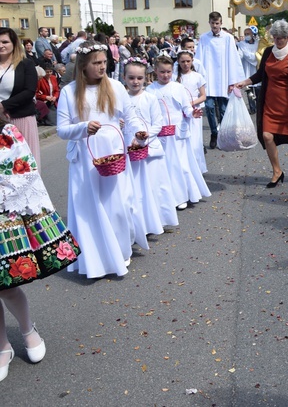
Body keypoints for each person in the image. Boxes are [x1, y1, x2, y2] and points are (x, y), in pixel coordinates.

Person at [0, 116, 80, 382]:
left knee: (7, 285)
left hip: (4, 216)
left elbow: (23, 173)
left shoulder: (7, 132)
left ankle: (27, 330)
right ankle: (3, 346)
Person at [57, 41, 147, 277]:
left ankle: (120, 250)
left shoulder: (116, 87)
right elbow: (62, 129)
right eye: (96, 63)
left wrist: (139, 134)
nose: (102, 67)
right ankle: (94, 257)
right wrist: (84, 127)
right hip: (86, 158)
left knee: (118, 204)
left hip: (113, 154)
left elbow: (131, 117)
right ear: (84, 66)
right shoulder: (69, 91)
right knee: (90, 208)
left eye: (104, 62)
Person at [235, 20, 288, 187]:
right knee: (267, 136)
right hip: (270, 102)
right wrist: (243, 82)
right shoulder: (268, 52)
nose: (278, 40)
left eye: (282, 37)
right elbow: (260, 74)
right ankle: (277, 171)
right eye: (275, 37)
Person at [147, 55, 211, 209]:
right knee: (166, 166)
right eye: (162, 72)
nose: (166, 75)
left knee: (181, 165)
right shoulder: (150, 90)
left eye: (168, 72)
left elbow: (186, 107)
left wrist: (192, 113)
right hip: (160, 133)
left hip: (178, 133)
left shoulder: (178, 87)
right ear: (155, 71)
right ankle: (170, 197)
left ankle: (185, 194)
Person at [122, 57, 179, 229]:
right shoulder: (121, 99)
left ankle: (157, 220)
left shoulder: (150, 98)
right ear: (124, 78)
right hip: (130, 149)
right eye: (131, 78)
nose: (135, 82)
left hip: (150, 148)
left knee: (154, 186)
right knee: (136, 189)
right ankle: (139, 224)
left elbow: (158, 123)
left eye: (139, 78)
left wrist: (145, 138)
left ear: (146, 78)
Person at [195, 11, 245, 149]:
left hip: (223, 78)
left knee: (223, 109)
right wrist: (198, 79)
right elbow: (198, 59)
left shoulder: (228, 38)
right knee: (210, 107)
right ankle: (214, 133)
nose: (215, 26)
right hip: (209, 79)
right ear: (209, 23)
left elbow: (233, 59)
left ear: (221, 23)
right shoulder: (204, 38)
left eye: (217, 23)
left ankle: (223, 134)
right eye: (213, 23)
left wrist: (233, 81)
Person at [0, 27, 41, 166]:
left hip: (20, 119)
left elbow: (29, 91)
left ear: (14, 43)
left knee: (24, 164)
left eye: (5, 41)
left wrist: (4, 105)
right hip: (0, 121)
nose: (1, 45)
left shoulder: (25, 64)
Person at [175, 51, 207, 174]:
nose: (185, 64)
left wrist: (190, 103)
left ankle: (197, 169)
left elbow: (203, 96)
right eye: (182, 61)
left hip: (194, 111)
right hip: (180, 112)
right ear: (178, 62)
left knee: (195, 141)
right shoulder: (175, 77)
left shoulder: (197, 76)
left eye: (188, 61)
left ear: (192, 61)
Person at [36, 61, 60, 126]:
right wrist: (45, 97)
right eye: (47, 72)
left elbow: (57, 90)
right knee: (52, 122)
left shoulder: (53, 78)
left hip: (53, 101)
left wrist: (55, 97)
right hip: (45, 102)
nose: (49, 73)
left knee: (59, 119)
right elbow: (36, 93)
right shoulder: (40, 80)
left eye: (50, 71)